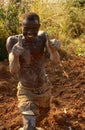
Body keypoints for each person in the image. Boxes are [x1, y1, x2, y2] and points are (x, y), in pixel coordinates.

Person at [6, 12, 60, 130]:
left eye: (34, 28)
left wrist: (54, 50)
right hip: (26, 92)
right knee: (29, 126)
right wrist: (14, 55)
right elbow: (13, 70)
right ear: (21, 26)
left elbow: (55, 61)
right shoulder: (13, 41)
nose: (30, 33)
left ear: (39, 27)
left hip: (44, 89)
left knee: (41, 117)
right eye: (26, 28)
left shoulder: (43, 37)